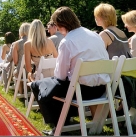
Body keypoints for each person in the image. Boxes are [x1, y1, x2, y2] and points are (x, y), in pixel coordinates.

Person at [32, 7, 110, 136]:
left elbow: (60, 76)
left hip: (82, 91)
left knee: (38, 85)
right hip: (102, 89)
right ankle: (65, 119)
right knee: (54, 86)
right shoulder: (95, 35)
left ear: (60, 24)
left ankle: (57, 125)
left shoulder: (67, 41)